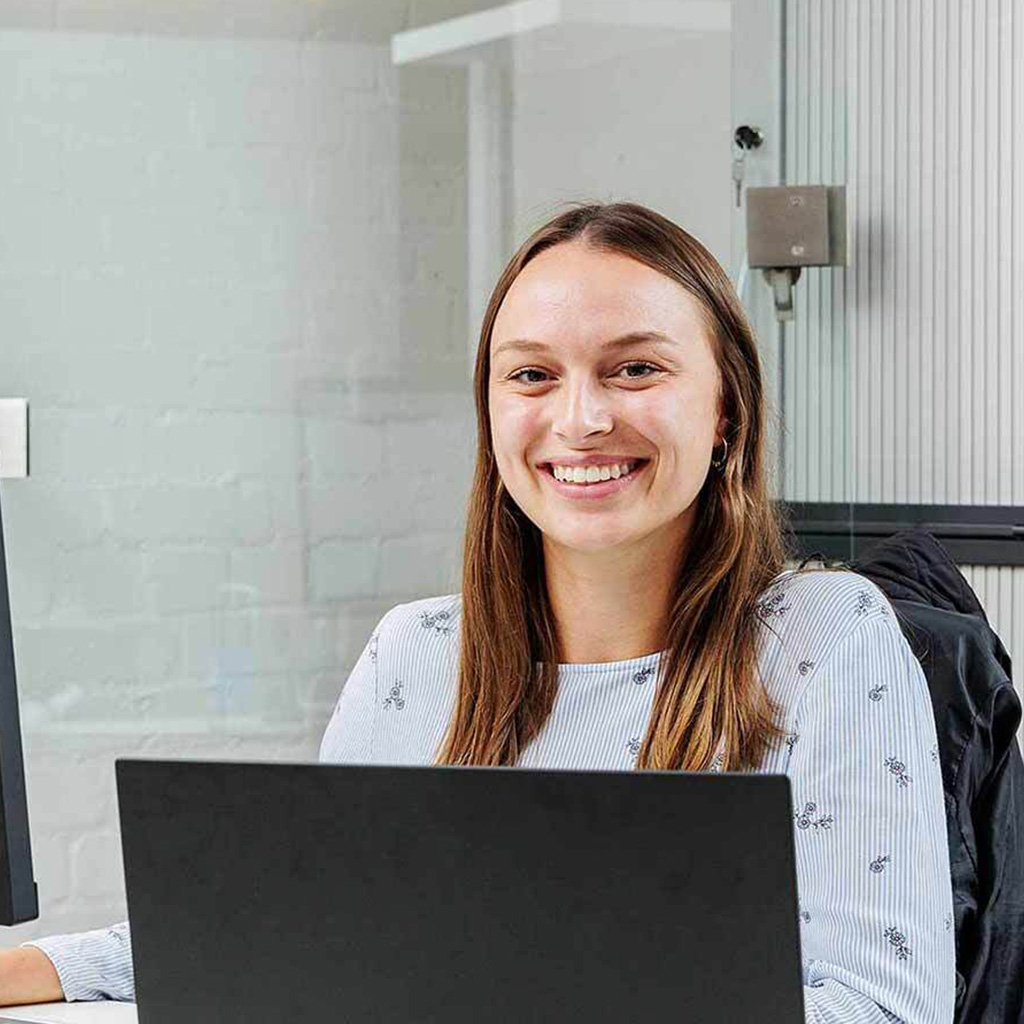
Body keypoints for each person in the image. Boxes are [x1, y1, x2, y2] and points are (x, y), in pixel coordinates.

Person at [0, 202, 954, 1022]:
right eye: (532, 375)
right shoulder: (418, 654)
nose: (580, 419)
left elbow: (876, 1006)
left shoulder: (824, 636)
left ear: (728, 414)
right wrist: (28, 969)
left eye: (634, 370)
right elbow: (295, 928)